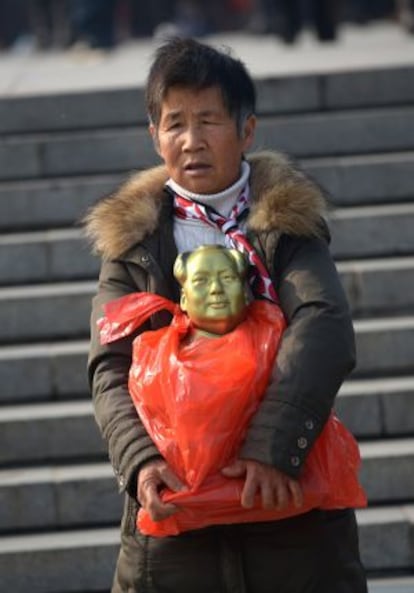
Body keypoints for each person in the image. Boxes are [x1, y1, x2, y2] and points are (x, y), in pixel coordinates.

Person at [85, 37, 368, 592]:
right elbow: (109, 364)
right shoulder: (133, 242)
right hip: (176, 523)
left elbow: (323, 323)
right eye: (175, 124)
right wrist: (140, 460)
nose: (192, 141)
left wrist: (271, 447)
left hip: (287, 513)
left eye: (210, 120)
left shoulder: (284, 222)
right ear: (154, 136)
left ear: (247, 130)